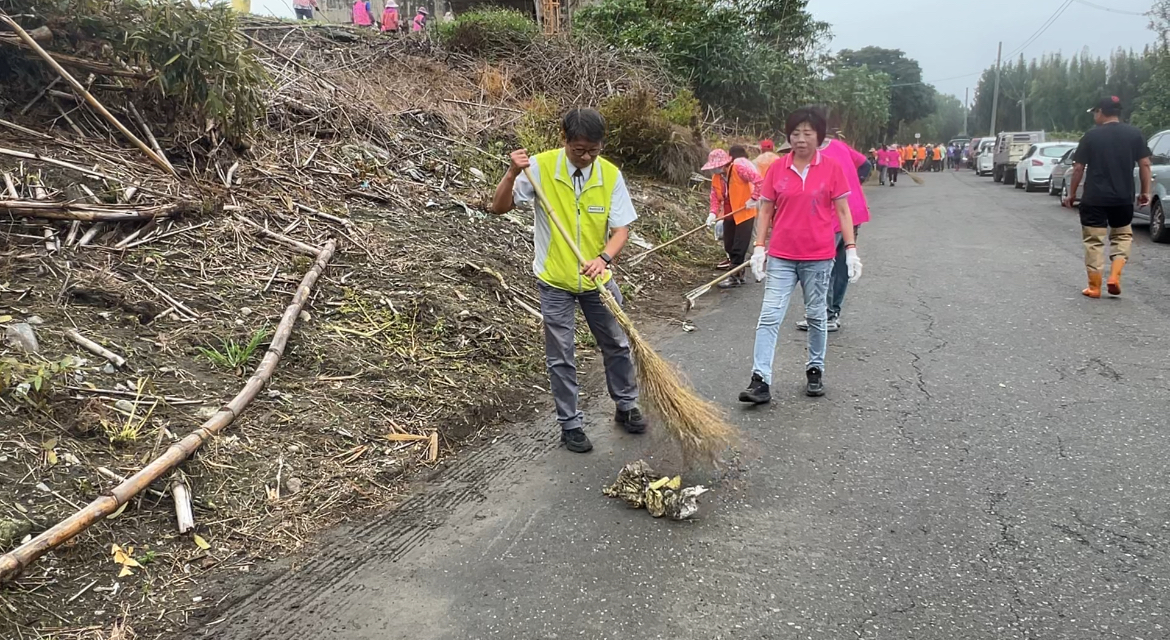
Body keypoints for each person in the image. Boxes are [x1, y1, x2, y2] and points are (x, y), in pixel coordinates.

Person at [491, 108, 647, 453]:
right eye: (579, 150)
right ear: (564, 139)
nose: (587, 156)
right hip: (555, 280)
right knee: (561, 353)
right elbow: (499, 207)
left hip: (598, 280)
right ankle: (571, 424)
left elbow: (621, 229)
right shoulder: (540, 169)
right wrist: (511, 173)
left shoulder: (609, 175)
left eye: (594, 149)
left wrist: (603, 258)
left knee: (618, 345)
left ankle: (626, 405)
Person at [739, 107, 862, 403]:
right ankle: (760, 380)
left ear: (819, 136)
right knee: (769, 316)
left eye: (808, 133)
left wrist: (850, 250)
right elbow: (766, 209)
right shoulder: (778, 169)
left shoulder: (832, 168)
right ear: (788, 136)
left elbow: (844, 211)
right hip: (782, 255)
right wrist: (759, 247)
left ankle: (815, 370)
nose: (801, 139)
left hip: (819, 256)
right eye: (795, 133)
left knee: (817, 316)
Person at [1063, 96, 1152, 298]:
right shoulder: (1135, 134)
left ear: (1101, 111)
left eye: (1095, 112)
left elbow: (1078, 168)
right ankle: (1114, 276)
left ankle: (1094, 287)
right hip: (1123, 198)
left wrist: (1072, 194)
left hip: (1094, 198)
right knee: (1122, 236)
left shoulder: (1091, 136)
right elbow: (1145, 164)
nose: (1095, 116)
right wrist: (1146, 192)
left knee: (1094, 241)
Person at [795, 123, 871, 333]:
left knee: (823, 265)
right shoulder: (841, 146)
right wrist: (856, 184)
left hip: (835, 215)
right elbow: (866, 165)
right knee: (840, 265)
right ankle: (832, 313)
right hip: (853, 210)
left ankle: (823, 314)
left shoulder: (814, 157)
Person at [703, 146, 763, 288]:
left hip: (744, 212)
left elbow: (759, 181)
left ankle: (734, 277)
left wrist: (753, 198)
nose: (715, 170)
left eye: (717, 167)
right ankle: (738, 272)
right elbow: (715, 198)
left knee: (739, 247)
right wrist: (712, 213)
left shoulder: (738, 168)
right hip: (729, 214)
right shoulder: (716, 178)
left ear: (724, 164)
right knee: (729, 244)